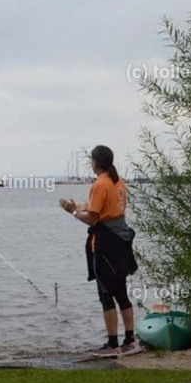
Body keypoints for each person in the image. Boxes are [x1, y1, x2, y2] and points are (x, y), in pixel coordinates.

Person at [60, 145, 140, 358]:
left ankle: (112, 344)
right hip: (121, 241)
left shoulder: (99, 184)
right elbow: (106, 209)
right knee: (121, 292)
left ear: (95, 162)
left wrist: (73, 211)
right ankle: (131, 340)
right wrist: (81, 206)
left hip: (105, 244)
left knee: (106, 293)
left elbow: (93, 218)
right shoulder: (118, 181)